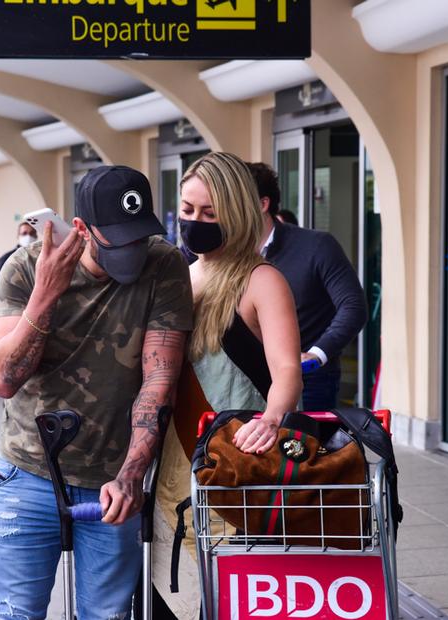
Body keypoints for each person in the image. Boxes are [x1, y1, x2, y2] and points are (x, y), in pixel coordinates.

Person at [0, 165, 192, 620]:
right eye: (117, 240)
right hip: (28, 472)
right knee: (16, 614)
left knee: (108, 616)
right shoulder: (24, 268)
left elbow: (159, 382)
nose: (132, 252)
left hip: (113, 479)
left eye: (140, 236)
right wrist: (45, 294)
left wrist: (132, 475)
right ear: (80, 228)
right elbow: (2, 379)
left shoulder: (164, 264)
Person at [152, 153, 304, 618]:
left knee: (232, 594)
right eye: (187, 209)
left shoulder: (262, 279)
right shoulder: (178, 274)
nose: (194, 222)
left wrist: (270, 420)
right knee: (169, 581)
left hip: (236, 466)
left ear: (237, 213)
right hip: (171, 469)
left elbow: (287, 373)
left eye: (209, 213)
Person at [248, 162, 367, 410]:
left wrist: (317, 354)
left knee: (305, 449)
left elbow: (353, 306)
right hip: (247, 378)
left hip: (309, 381)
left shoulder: (316, 245)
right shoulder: (225, 253)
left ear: (262, 204)